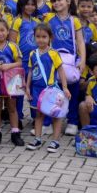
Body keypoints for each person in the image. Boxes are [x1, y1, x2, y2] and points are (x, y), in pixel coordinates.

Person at [43, 0, 86, 135]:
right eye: (54, 1)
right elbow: (44, 39)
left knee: (72, 92)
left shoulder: (75, 20)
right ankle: (48, 122)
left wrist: (83, 60)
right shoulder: (48, 19)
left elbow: (80, 41)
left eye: (59, 0)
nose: (56, 3)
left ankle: (72, 122)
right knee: (52, 92)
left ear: (68, 1)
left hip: (70, 61)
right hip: (52, 60)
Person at [25, 23, 70, 152]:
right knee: (38, 115)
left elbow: (61, 71)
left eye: (44, 36)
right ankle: (38, 139)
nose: (41, 39)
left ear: (50, 37)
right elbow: (30, 71)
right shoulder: (32, 54)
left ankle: (55, 141)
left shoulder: (54, 53)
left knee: (56, 115)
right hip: (36, 90)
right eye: (38, 36)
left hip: (51, 90)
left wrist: (65, 87)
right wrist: (27, 87)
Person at [0, 18, 24, 147]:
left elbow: (20, 62)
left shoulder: (13, 46)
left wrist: (8, 66)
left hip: (11, 81)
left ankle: (15, 133)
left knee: (12, 108)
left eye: (2, 30)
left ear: (8, 31)